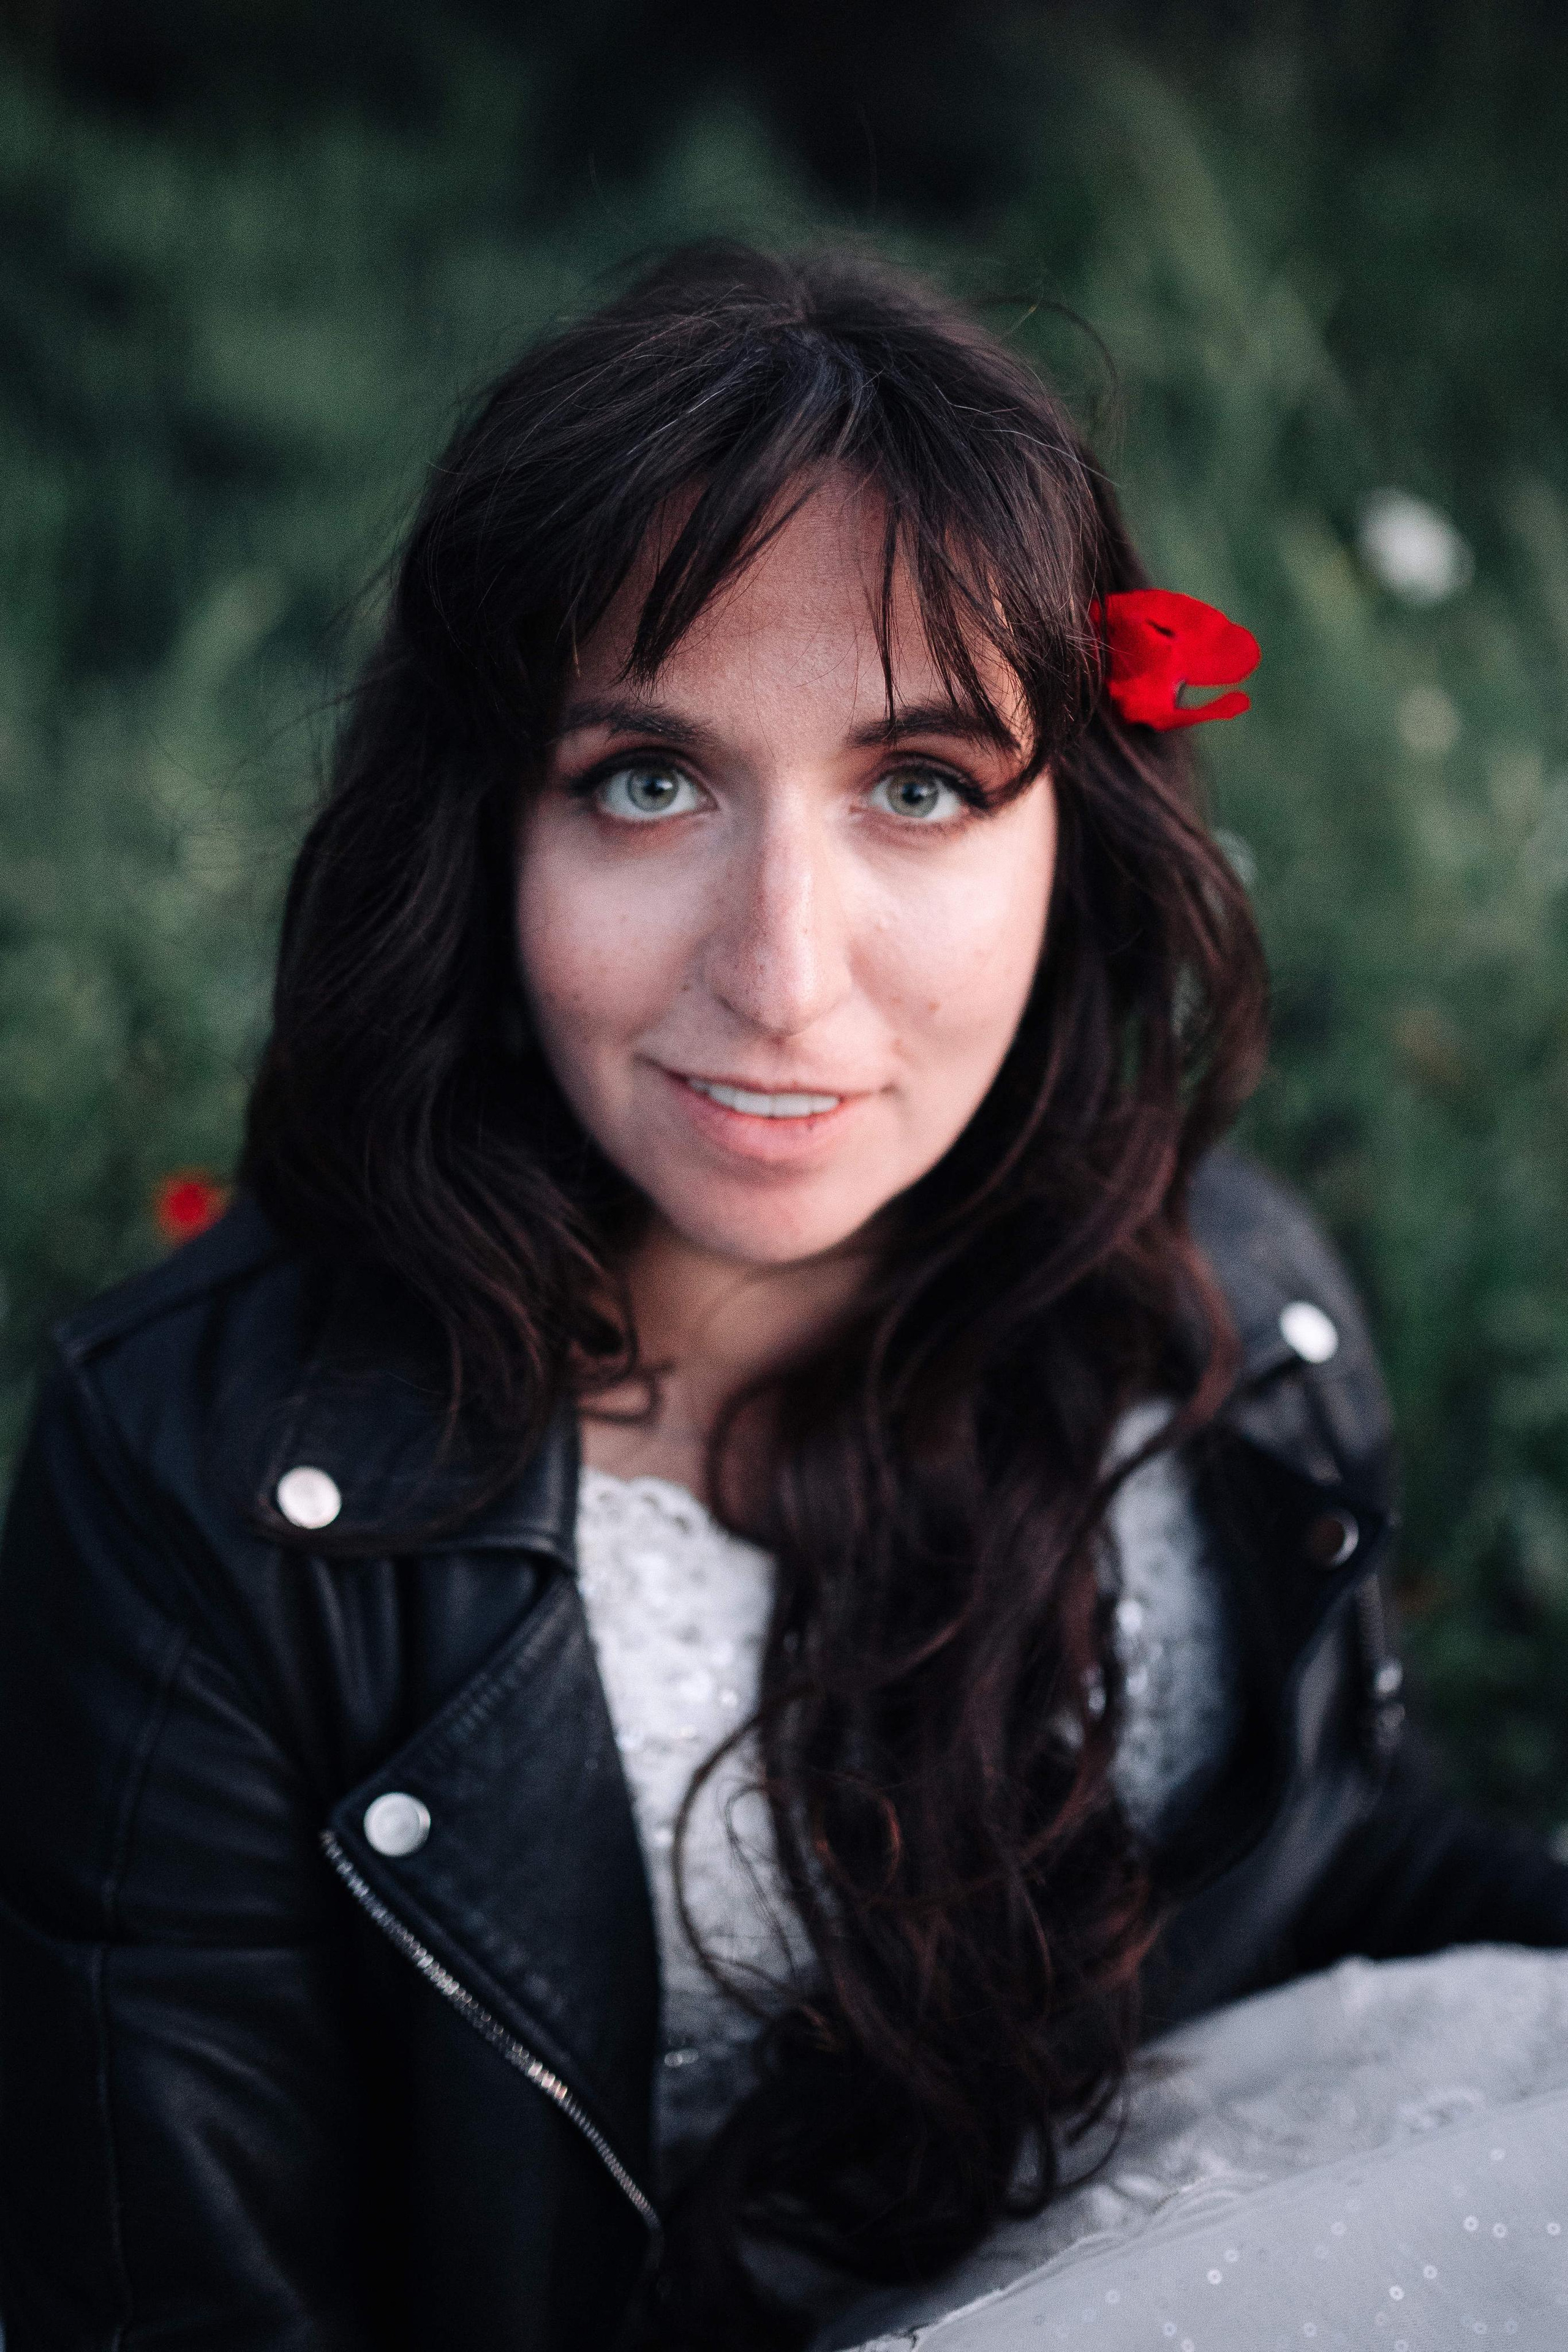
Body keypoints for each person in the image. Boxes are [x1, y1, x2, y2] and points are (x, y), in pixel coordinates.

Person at [0, 244, 1564, 2352]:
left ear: (1069, 835)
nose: (784, 969)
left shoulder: (1225, 1294)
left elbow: (1349, 1887)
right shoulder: (192, 1476)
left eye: (917, 788)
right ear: (482, 834)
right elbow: (179, 2305)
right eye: (647, 782)